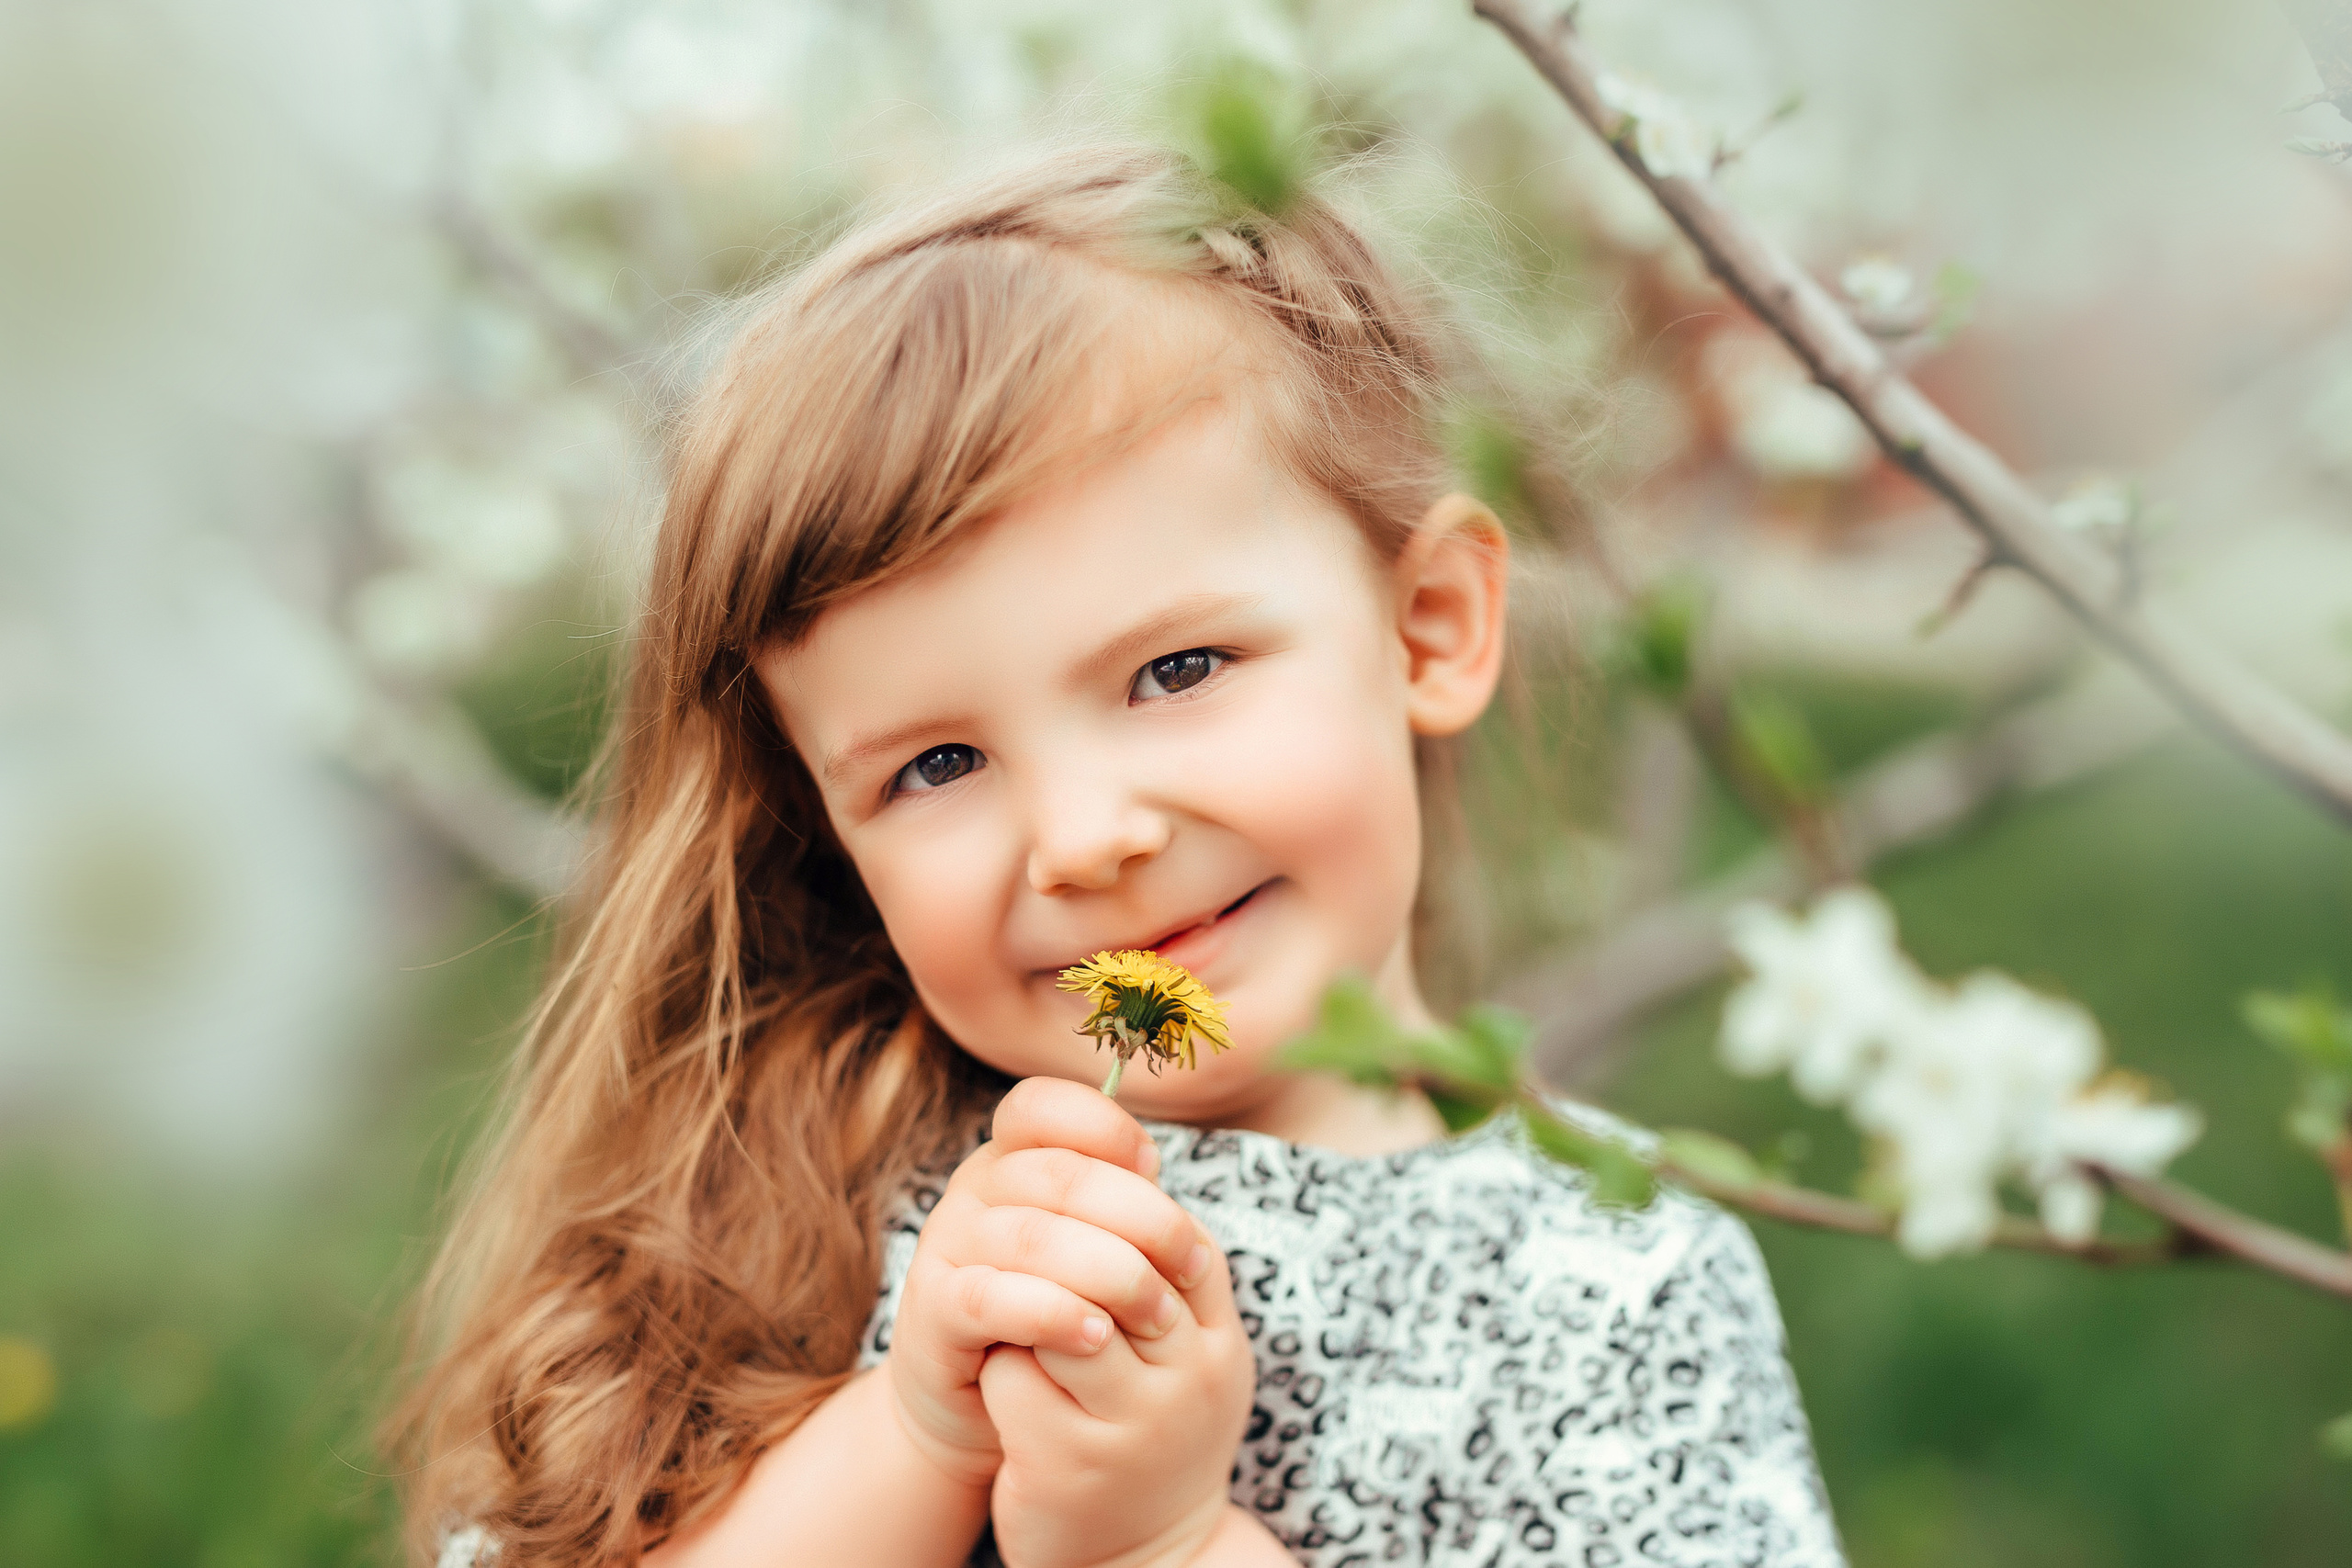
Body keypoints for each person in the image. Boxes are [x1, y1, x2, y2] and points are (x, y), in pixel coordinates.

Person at [390, 139, 1846, 1568]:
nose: (1084, 843)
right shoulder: (786, 1215)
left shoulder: (1609, 1290)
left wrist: (1165, 1547)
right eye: (937, 766)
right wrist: (919, 1438)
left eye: (1177, 671)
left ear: (1429, 629)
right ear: (826, 835)